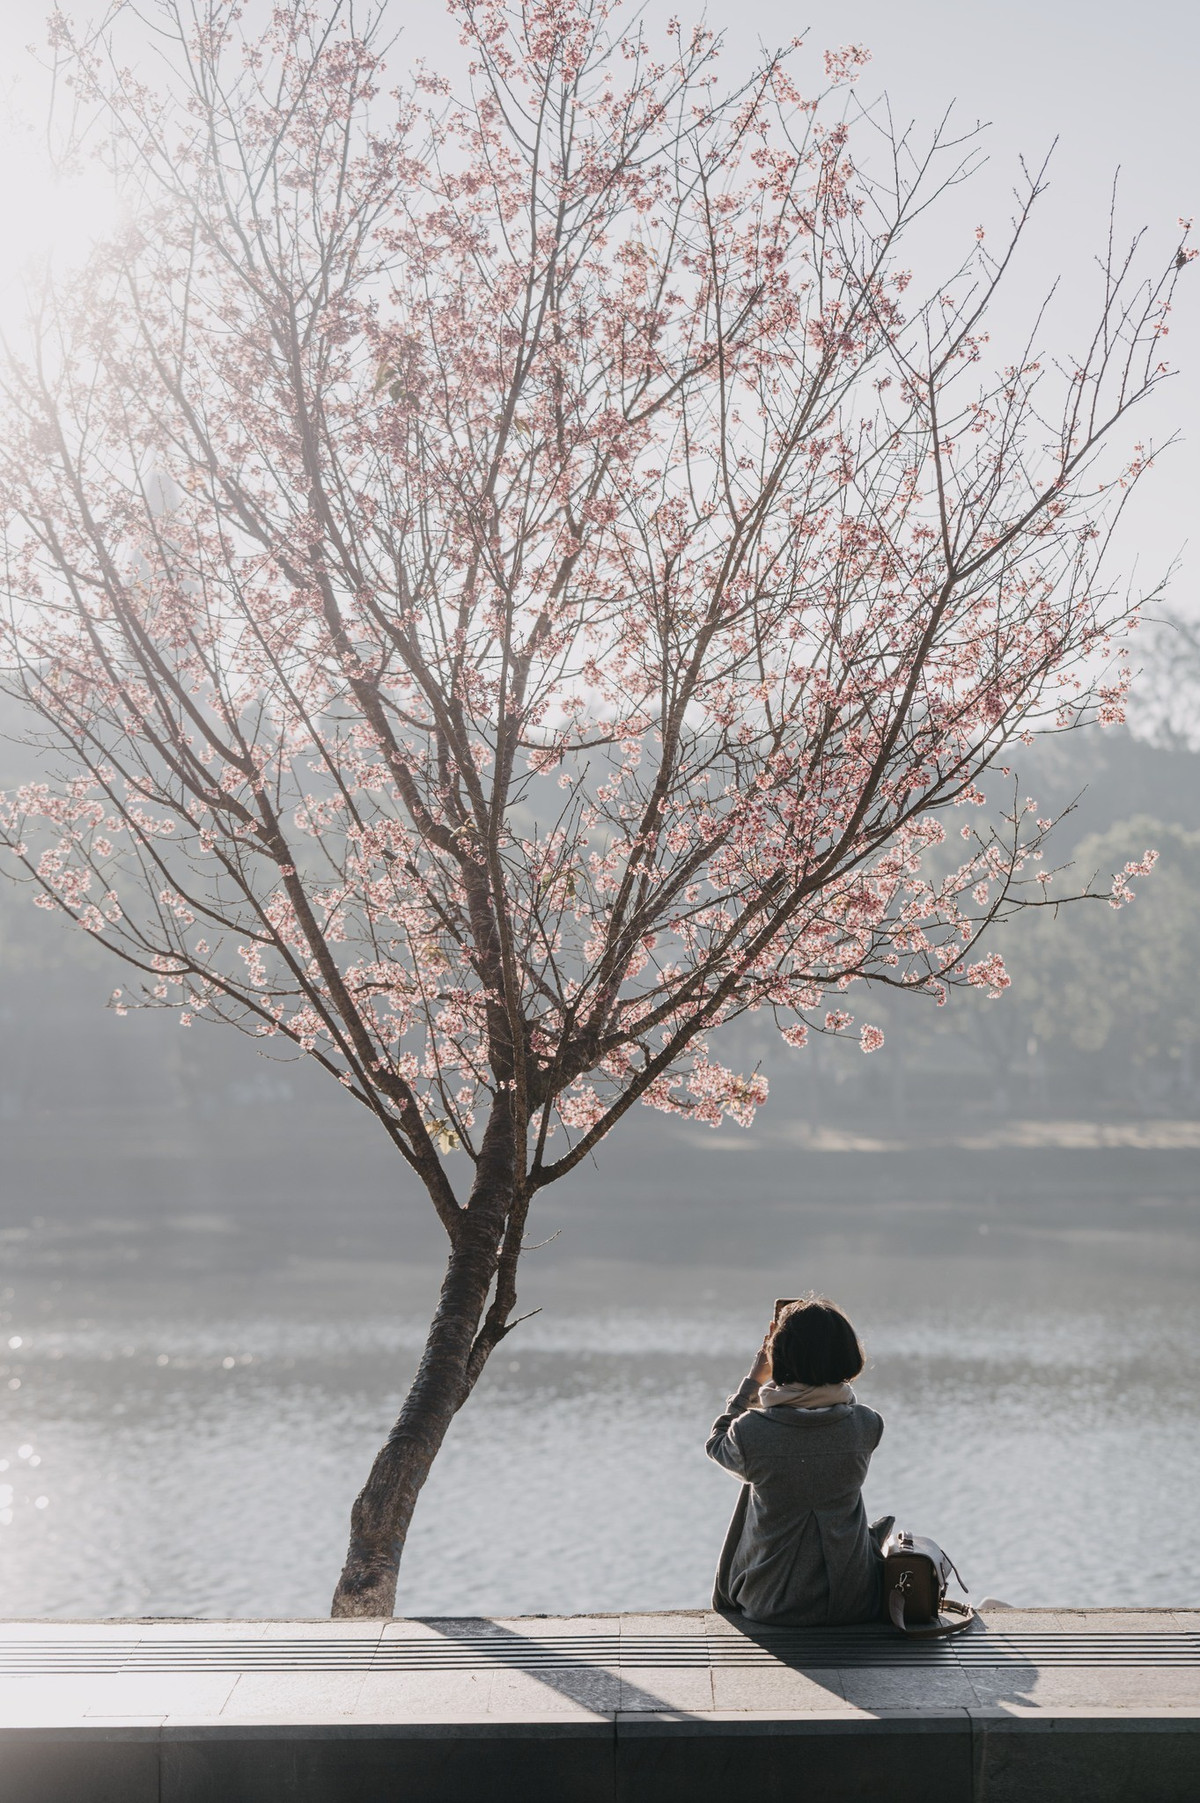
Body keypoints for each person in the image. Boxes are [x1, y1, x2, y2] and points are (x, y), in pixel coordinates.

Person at [707, 1296, 887, 1627]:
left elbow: (717, 1443)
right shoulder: (867, 1425)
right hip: (855, 1600)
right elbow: (840, 1412)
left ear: (778, 1356)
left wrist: (754, 1381)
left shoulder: (751, 1432)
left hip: (771, 1604)